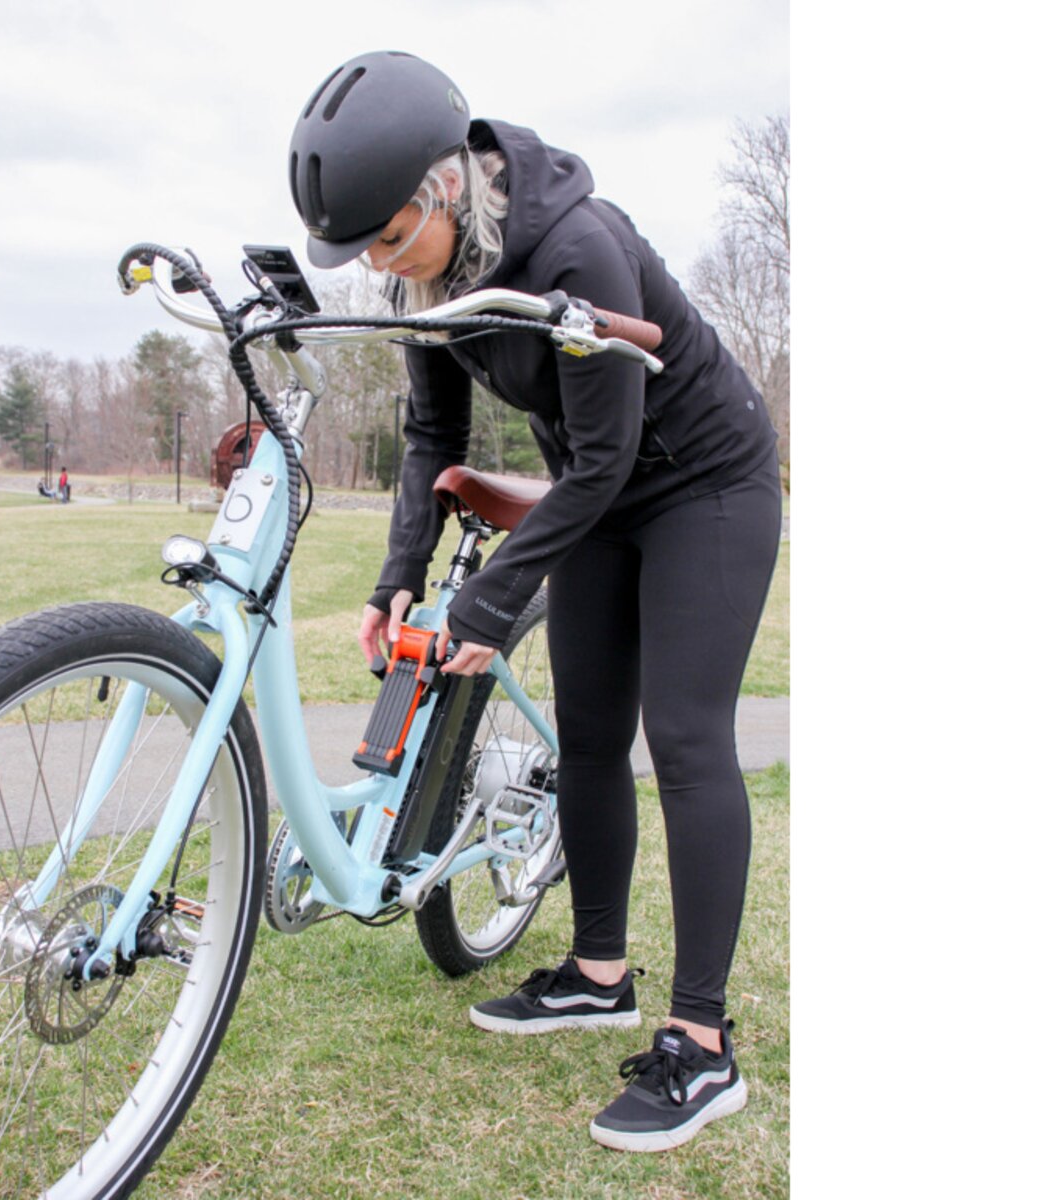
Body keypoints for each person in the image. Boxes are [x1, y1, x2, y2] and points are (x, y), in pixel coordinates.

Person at [289, 51, 781, 1153]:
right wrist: (398, 574)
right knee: (591, 737)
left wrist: (489, 602)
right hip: (600, 490)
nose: (380, 266)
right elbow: (433, 433)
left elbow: (605, 456)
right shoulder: (426, 277)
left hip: (703, 483)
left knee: (685, 739)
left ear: (445, 187)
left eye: (388, 239)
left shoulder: (576, 247)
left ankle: (702, 1045)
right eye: (364, 251)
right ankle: (598, 976)